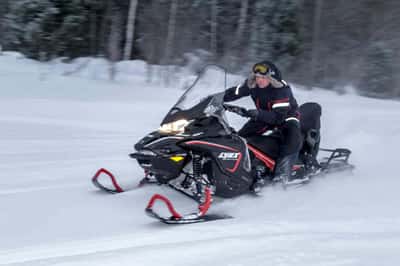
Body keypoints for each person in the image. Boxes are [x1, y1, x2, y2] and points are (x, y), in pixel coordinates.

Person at [223, 61, 303, 191]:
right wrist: (217, 98)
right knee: (240, 138)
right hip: (263, 116)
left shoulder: (281, 90)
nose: (259, 80)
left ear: (271, 78)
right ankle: (240, 169)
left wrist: (256, 114)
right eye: (257, 77)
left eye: (263, 78)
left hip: (286, 117)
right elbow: (235, 92)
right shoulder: (253, 84)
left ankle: (281, 177)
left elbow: (278, 117)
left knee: (292, 139)